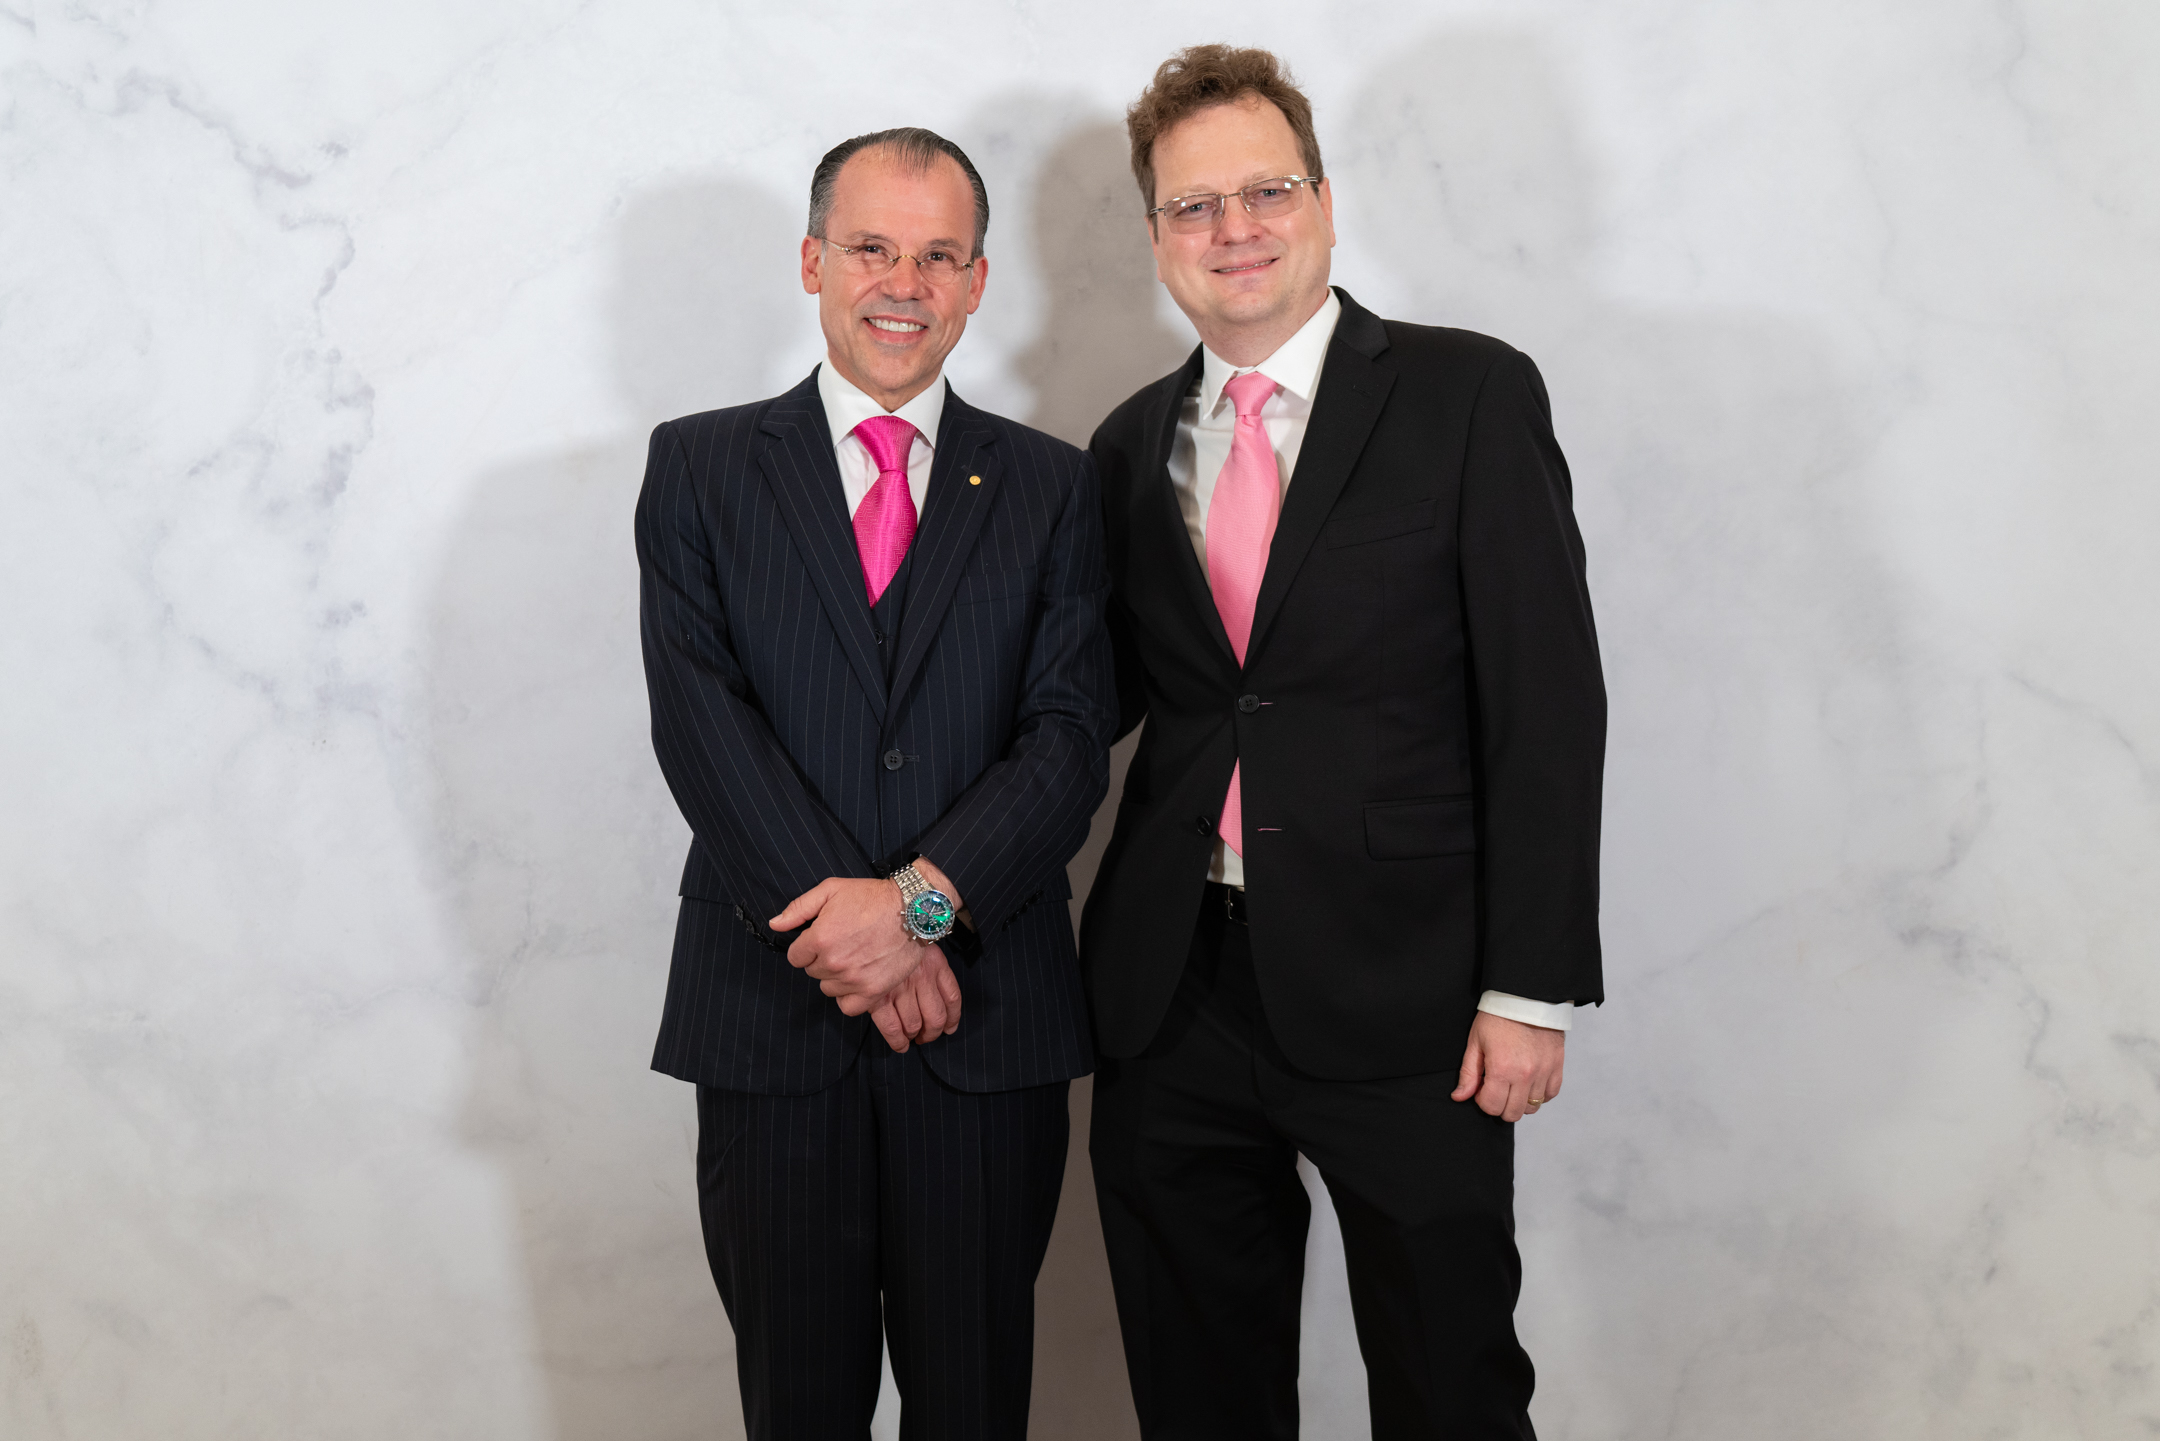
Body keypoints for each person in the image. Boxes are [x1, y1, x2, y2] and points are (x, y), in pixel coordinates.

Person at [1081, 46, 1606, 1439]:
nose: (1234, 229)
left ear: (1323, 199)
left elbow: (1549, 703)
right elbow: (1092, 708)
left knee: (1449, 1389)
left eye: (1266, 190)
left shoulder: (1468, 395)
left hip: (1415, 995)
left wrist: (1531, 988)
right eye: (1195, 206)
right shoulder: (1125, 448)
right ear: (1157, 236)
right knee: (1200, 1397)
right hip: (1173, 995)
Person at [635, 126, 1114, 1440]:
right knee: (798, 1408)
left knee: (975, 1408)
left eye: (939, 256)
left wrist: (917, 907)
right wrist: (852, 930)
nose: (904, 284)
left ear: (976, 282)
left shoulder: (1053, 487)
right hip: (770, 1021)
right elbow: (700, 723)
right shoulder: (700, 467)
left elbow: (1070, 737)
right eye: (871, 249)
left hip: (986, 1028)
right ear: (813, 262)